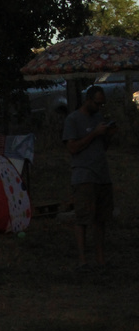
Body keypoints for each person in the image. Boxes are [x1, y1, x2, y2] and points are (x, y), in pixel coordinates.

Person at [62, 84, 115, 269]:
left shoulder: (99, 118)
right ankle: (82, 259)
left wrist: (107, 135)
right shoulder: (73, 120)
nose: (99, 108)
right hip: (84, 174)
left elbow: (102, 147)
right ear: (88, 100)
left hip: (101, 174)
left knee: (101, 218)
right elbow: (72, 148)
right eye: (97, 103)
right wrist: (94, 133)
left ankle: (100, 258)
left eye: (102, 104)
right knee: (83, 217)